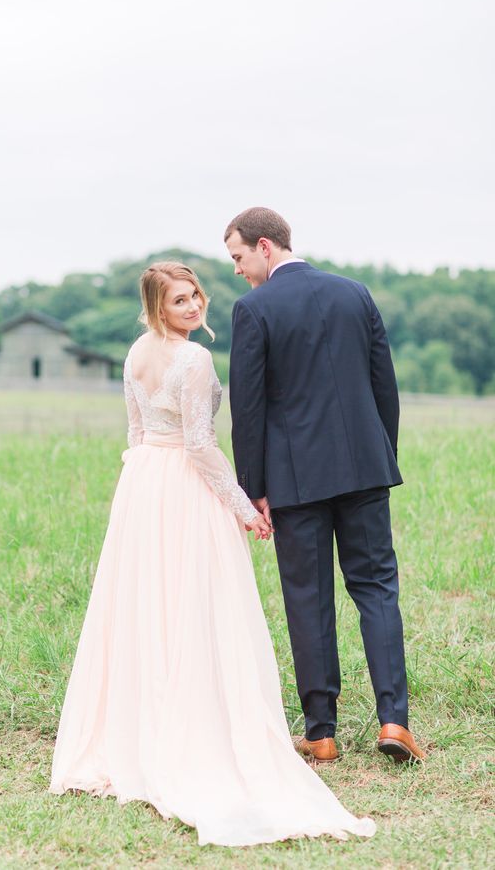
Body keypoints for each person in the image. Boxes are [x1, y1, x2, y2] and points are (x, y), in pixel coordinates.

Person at [49, 260, 376, 846]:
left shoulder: (133, 353)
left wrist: (141, 488)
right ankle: (193, 727)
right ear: (157, 308)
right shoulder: (193, 359)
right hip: (184, 487)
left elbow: (134, 433)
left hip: (143, 485)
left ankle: (142, 727)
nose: (195, 306)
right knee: (197, 605)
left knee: (149, 605)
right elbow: (200, 446)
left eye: (196, 294)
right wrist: (244, 507)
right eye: (179, 301)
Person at [225, 206, 425, 764]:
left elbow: (249, 408)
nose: (237, 270)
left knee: (309, 600)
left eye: (239, 257)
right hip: (365, 469)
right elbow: (384, 384)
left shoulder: (253, 310)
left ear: (266, 247)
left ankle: (322, 732)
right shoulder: (354, 294)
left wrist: (254, 488)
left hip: (295, 482)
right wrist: (378, 453)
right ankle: (394, 722)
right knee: (378, 589)